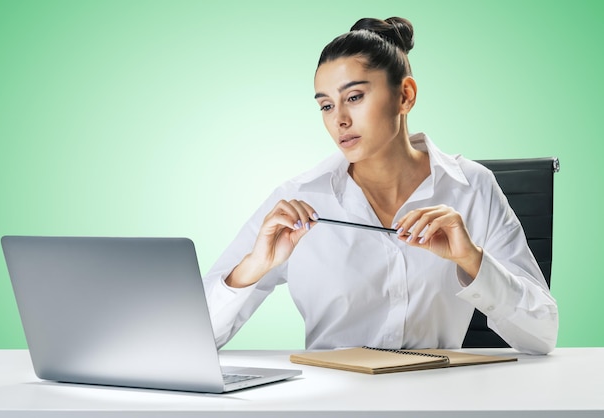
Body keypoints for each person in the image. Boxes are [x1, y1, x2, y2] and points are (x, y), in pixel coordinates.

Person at [203, 17, 558, 355]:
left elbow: (542, 334)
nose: (339, 119)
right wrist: (254, 265)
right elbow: (194, 338)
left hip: (437, 399)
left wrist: (471, 260)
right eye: (326, 105)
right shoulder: (297, 199)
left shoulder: (472, 187)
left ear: (405, 95)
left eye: (354, 97)